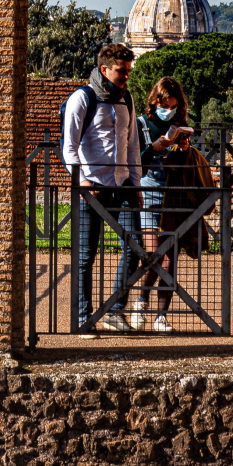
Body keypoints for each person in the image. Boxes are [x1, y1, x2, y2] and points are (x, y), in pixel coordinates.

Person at [60, 42, 140, 334]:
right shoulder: (82, 98)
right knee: (85, 255)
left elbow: (132, 146)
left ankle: (115, 310)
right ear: (104, 69)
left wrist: (136, 182)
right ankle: (84, 316)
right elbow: (69, 146)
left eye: (129, 71)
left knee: (135, 247)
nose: (126, 76)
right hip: (91, 187)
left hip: (123, 185)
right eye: (122, 71)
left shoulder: (127, 99)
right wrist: (81, 181)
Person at [131, 76, 196, 333]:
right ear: (154, 101)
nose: (167, 111)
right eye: (164, 105)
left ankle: (161, 315)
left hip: (173, 196)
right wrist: (155, 148)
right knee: (154, 253)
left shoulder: (181, 126)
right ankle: (141, 301)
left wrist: (184, 148)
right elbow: (135, 162)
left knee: (170, 259)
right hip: (147, 194)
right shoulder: (141, 124)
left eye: (172, 107)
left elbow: (185, 163)